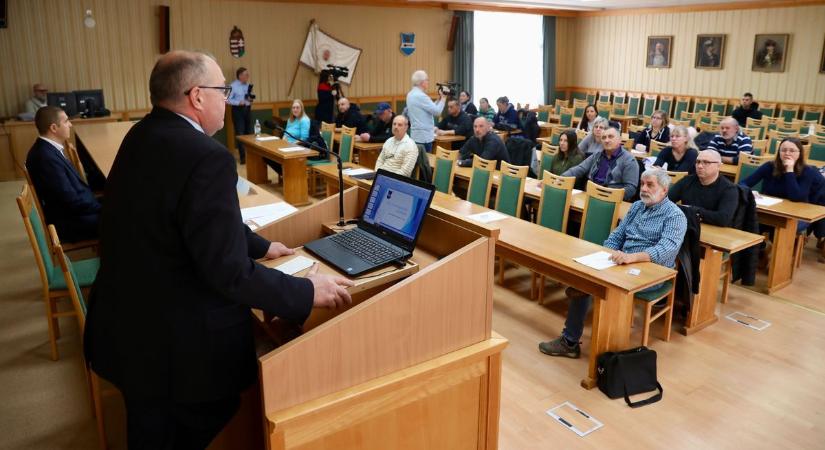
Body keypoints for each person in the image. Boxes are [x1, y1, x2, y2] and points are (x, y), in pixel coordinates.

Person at [83, 50, 354, 449]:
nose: (226, 100)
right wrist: (306, 291)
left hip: (124, 328)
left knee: (148, 427)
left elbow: (185, 220)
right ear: (196, 97)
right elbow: (227, 272)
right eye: (221, 90)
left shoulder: (141, 134)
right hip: (173, 349)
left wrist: (264, 245)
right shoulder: (206, 157)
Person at [539, 168, 686, 358]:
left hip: (653, 270)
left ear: (664, 190)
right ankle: (573, 337)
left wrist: (632, 257)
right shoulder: (637, 207)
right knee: (584, 275)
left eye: (650, 185)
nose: (644, 188)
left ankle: (577, 341)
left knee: (593, 285)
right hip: (623, 261)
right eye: (642, 184)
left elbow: (667, 249)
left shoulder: (675, 216)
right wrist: (606, 253)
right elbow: (618, 235)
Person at [25, 105, 101, 243]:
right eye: (66, 121)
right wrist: (103, 207)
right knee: (127, 218)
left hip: (71, 212)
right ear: (54, 128)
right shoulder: (45, 158)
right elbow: (70, 201)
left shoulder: (47, 149)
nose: (70, 125)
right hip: (69, 222)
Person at [740, 138, 825, 233]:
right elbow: (743, 183)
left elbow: (796, 197)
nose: (787, 153)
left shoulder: (808, 171)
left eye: (792, 151)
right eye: (783, 150)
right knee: (749, 220)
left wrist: (789, 170)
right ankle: (759, 245)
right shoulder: (769, 166)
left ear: (799, 153)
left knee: (781, 227)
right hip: (771, 210)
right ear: (779, 152)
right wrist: (749, 191)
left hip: (798, 214)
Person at [562, 123, 639, 201]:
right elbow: (580, 168)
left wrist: (606, 194)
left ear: (619, 140)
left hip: (612, 201)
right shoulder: (597, 155)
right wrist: (561, 178)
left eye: (610, 137)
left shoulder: (629, 160)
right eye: (604, 138)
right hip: (590, 196)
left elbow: (630, 189)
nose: (606, 140)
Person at [668, 150, 738, 226]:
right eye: (698, 162)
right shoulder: (687, 180)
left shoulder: (729, 189)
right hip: (689, 226)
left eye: (706, 162)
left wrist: (693, 210)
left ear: (719, 166)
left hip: (714, 231)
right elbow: (665, 201)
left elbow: (723, 219)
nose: (700, 166)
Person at [406, 70, 447, 152]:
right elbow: (437, 111)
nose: (428, 82)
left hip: (416, 135)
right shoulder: (421, 96)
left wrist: (439, 99)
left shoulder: (410, 94)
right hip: (424, 138)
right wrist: (444, 98)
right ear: (422, 82)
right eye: (427, 80)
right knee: (425, 162)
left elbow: (429, 108)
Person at [226, 67, 252, 164]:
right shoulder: (233, 86)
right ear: (240, 76)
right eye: (246, 74)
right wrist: (238, 102)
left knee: (249, 133)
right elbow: (227, 100)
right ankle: (243, 158)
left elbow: (248, 97)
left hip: (248, 110)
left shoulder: (248, 85)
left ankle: (250, 156)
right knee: (240, 134)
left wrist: (250, 99)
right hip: (238, 111)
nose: (248, 76)